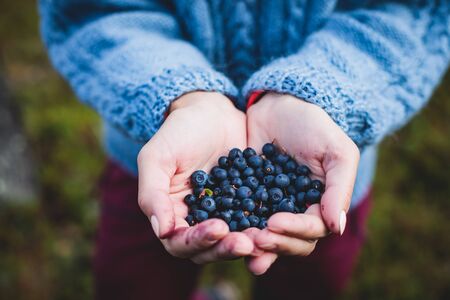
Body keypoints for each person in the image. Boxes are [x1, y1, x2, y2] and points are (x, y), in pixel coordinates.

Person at [39, 0, 450, 299]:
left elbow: (410, 13)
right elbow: (94, 11)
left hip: (323, 165)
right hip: (160, 162)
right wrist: (182, 94)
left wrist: (320, 92)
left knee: (308, 286)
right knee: (132, 283)